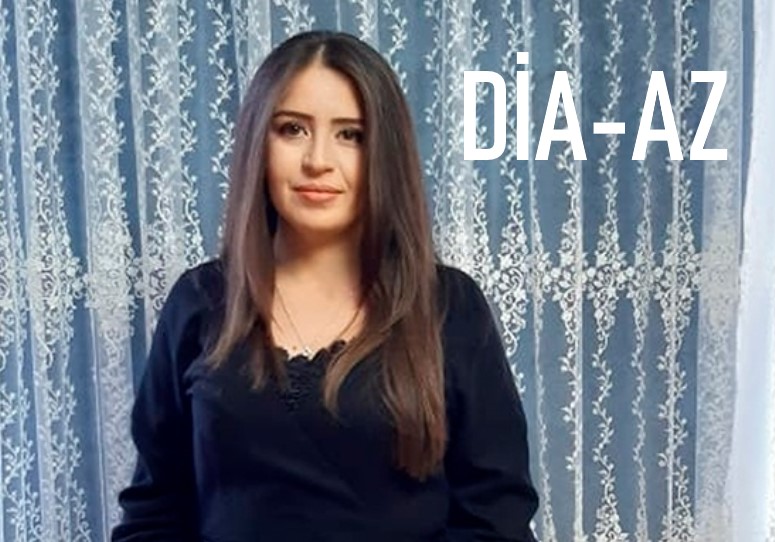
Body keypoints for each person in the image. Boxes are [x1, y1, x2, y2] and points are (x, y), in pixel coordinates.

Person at [111, 30, 538, 542]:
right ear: (258, 143)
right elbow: (155, 510)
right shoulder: (200, 302)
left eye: (350, 135)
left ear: (385, 154)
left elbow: (496, 518)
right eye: (292, 129)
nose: (318, 159)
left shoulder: (449, 308)